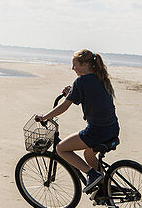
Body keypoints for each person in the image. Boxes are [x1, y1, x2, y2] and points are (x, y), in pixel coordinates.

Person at [35, 49, 119, 193]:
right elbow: (88, 95)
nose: (73, 68)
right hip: (112, 129)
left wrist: (45, 117)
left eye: (75, 65)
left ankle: (92, 174)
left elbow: (64, 106)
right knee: (88, 154)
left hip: (96, 132)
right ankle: (104, 187)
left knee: (60, 148)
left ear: (85, 64)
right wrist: (72, 92)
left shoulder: (81, 81)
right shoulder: (101, 78)